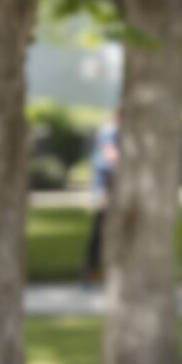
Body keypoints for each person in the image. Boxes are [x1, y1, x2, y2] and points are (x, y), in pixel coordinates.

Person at [82, 109, 119, 283]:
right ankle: (91, 271)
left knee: (103, 232)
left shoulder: (111, 131)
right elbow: (110, 157)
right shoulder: (110, 131)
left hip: (109, 188)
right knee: (100, 232)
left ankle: (96, 270)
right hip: (107, 189)